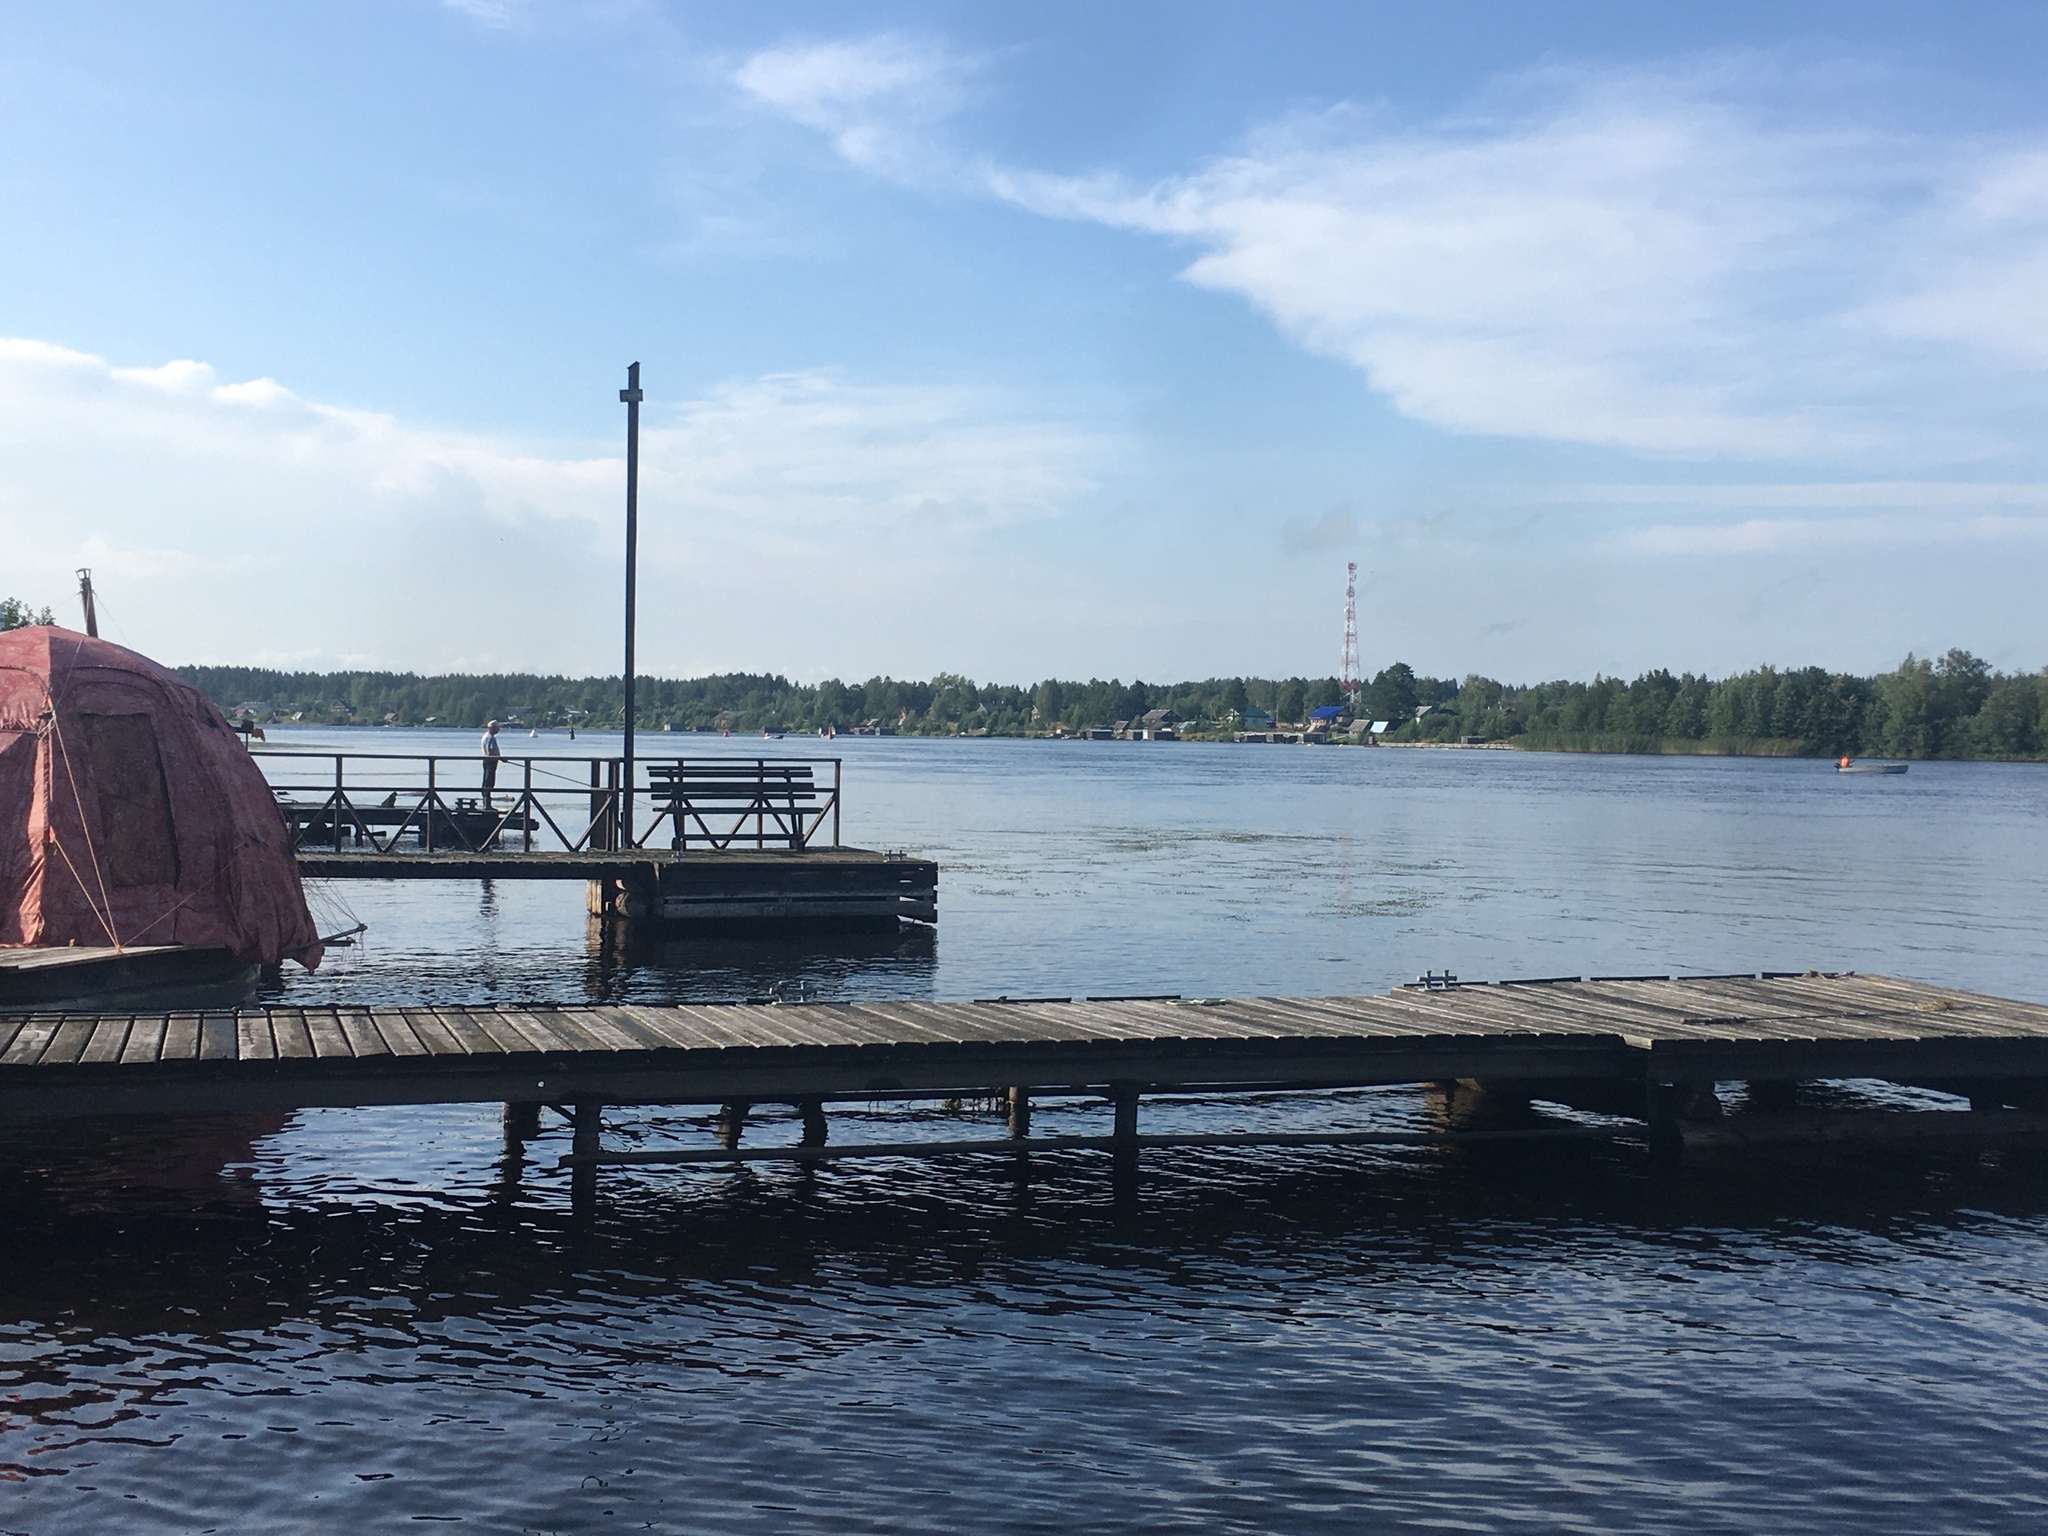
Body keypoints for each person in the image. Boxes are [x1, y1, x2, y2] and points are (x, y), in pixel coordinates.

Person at [481, 720, 502, 807]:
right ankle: (487, 805)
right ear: (492, 728)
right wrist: (499, 757)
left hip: (487, 760)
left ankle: (486, 804)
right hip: (491, 761)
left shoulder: (486, 736)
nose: (498, 730)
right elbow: (490, 751)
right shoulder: (490, 738)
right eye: (497, 728)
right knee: (489, 783)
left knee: (487, 782)